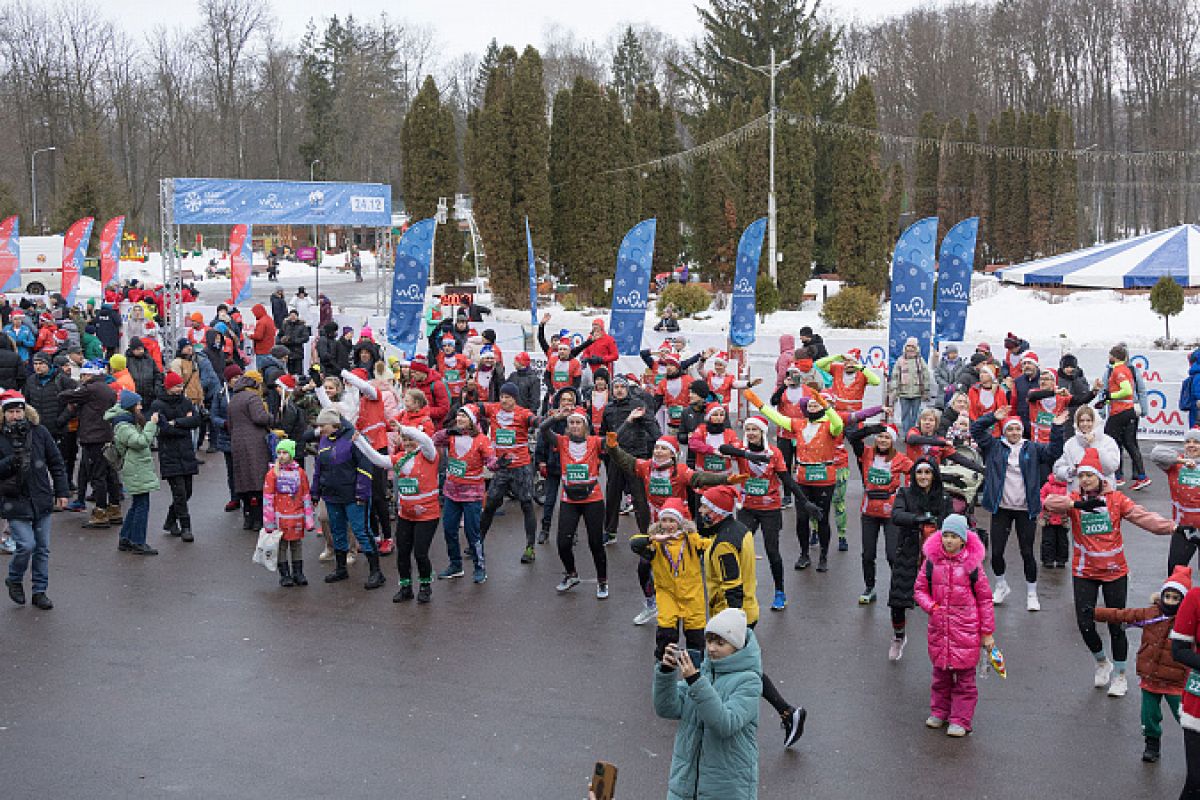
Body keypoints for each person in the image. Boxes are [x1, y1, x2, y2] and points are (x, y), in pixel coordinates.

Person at [1043, 448, 1175, 696]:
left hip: (1115, 572)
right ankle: (1102, 662)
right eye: (1081, 476)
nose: (1085, 480)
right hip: (1084, 571)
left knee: (1116, 625)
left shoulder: (1116, 499)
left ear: (1100, 477)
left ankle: (1121, 676)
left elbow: (1144, 518)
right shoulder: (1074, 499)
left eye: (1089, 476)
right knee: (1085, 624)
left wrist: (1173, 528)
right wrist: (1078, 504)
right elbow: (1049, 503)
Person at [696, 484, 806, 749]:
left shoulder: (723, 545)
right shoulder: (739, 529)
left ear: (716, 512)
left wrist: (729, 628)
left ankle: (785, 712)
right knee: (740, 668)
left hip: (730, 618)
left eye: (704, 507)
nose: (700, 511)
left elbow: (732, 588)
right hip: (745, 611)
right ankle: (785, 712)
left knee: (737, 668)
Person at [652, 608, 761, 800]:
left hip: (727, 790)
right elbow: (666, 708)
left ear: (737, 646)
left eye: (720, 643)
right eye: (709, 641)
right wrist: (666, 673)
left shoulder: (749, 682)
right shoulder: (701, 673)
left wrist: (695, 681)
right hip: (685, 786)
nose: (711, 648)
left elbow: (726, 724)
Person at [971, 407, 1066, 612]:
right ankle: (1001, 585)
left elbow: (1054, 452)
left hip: (1025, 509)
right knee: (996, 552)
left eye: (1017, 429)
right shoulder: (994, 446)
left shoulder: (1032, 448)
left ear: (1022, 431)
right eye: (1010, 429)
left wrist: (1057, 428)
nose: (1013, 433)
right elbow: (976, 430)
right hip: (1001, 508)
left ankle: (1031, 593)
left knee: (1027, 552)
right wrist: (992, 418)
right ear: (1004, 431)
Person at [1093, 566, 1190, 764]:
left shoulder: (1188, 622)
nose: (1170, 601)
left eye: (1175, 598)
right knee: (1149, 716)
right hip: (1150, 677)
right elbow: (1124, 615)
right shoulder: (1151, 613)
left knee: (1186, 717)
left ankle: (1194, 746)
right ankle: (1151, 745)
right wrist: (1096, 613)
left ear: (1184, 600)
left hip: (1176, 682)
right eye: (1167, 596)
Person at [914, 514, 995, 737]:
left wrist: (987, 632)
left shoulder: (972, 566)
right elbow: (920, 589)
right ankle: (939, 711)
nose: (949, 540)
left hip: (966, 631)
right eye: (946, 535)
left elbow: (985, 599)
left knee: (965, 680)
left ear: (963, 540)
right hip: (940, 629)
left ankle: (960, 719)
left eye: (954, 536)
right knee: (940, 676)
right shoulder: (931, 562)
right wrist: (932, 607)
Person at [743, 387, 841, 572]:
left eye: (816, 404)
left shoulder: (830, 425)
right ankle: (804, 554)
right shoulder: (798, 424)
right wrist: (757, 403)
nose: (813, 407)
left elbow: (839, 423)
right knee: (802, 519)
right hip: (803, 478)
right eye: (810, 405)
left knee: (822, 518)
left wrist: (826, 406)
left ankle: (823, 556)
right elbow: (776, 417)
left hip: (825, 479)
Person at [0, 391, 68, 609]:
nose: (15, 416)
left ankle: (40, 591)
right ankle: (14, 578)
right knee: (26, 545)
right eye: (11, 412)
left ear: (25, 411)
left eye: (18, 411)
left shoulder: (39, 432)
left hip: (41, 497)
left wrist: (62, 492)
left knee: (42, 548)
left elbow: (56, 462)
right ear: (4, 413)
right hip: (14, 499)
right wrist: (12, 460)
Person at [732, 414, 807, 611]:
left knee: (772, 551)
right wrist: (747, 455)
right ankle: (739, 592)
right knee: (739, 549)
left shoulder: (774, 453)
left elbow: (787, 480)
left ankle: (780, 592)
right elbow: (723, 449)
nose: (751, 433)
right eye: (748, 430)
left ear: (762, 432)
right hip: (747, 507)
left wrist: (804, 502)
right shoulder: (741, 449)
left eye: (754, 430)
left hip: (770, 508)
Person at [361, 425, 439, 604]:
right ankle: (406, 588)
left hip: (427, 515)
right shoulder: (400, 458)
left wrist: (404, 428)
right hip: (405, 515)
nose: (408, 443)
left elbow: (426, 440)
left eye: (411, 439)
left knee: (420, 553)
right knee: (402, 553)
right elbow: (377, 458)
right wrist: (358, 440)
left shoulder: (429, 455)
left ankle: (425, 586)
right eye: (405, 440)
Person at [540, 407, 609, 597]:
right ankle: (571, 574)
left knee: (595, 543)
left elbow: (613, 441)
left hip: (593, 499)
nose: (575, 426)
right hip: (569, 499)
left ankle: (602, 581)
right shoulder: (561, 441)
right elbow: (543, 429)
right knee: (563, 543)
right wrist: (557, 417)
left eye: (578, 422)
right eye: (571, 423)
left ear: (585, 426)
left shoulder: (595, 442)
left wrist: (627, 422)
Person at [311, 407, 382, 589]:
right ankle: (341, 569)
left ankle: (376, 572)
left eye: (323, 425)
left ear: (334, 424)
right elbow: (319, 468)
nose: (320, 429)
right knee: (337, 531)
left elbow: (365, 468)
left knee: (361, 531)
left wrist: (362, 493)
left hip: (353, 496)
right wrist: (315, 492)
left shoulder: (355, 438)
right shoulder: (324, 440)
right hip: (332, 495)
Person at [630, 498, 708, 660]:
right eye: (664, 520)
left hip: (692, 596)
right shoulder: (656, 543)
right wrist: (653, 539)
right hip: (667, 595)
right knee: (666, 635)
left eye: (672, 521)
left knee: (696, 638)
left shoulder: (691, 539)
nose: (668, 525)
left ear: (680, 522)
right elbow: (634, 544)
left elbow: (712, 546)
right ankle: (664, 668)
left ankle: (696, 669)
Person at [889, 457, 950, 661]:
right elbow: (896, 515)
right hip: (909, 553)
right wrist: (917, 519)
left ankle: (946, 642)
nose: (923, 477)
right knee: (898, 601)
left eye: (928, 472)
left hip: (936, 559)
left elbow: (951, 522)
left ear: (934, 475)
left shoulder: (943, 498)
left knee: (942, 604)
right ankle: (899, 637)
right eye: (919, 472)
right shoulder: (905, 493)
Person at [846, 422, 913, 606]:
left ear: (893, 441)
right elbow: (852, 437)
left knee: (893, 555)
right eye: (880, 436)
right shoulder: (866, 453)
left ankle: (899, 589)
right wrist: (873, 429)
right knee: (868, 555)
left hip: (891, 512)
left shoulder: (900, 458)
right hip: (869, 511)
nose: (883, 440)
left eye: (887, 437)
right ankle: (869, 588)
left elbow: (918, 472)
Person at [478, 383, 540, 563]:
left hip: (521, 467)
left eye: (508, 397)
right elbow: (475, 407)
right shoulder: (493, 409)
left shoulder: (522, 413)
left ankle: (530, 548)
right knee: (490, 505)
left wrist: (540, 421)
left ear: (515, 399)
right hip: (502, 468)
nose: (504, 400)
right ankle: (478, 542)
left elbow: (534, 420)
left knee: (526, 505)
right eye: (502, 396)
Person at [434, 406, 495, 584]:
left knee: (472, 533)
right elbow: (434, 439)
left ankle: (479, 567)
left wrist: (500, 463)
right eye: (458, 416)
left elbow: (491, 462)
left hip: (472, 495)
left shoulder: (481, 440)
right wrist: (447, 431)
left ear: (472, 420)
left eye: (464, 416)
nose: (459, 419)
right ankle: (455, 565)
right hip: (451, 493)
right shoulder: (452, 436)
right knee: (449, 530)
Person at [61, 360, 120, 527]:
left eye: (83, 375)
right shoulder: (107, 388)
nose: (82, 379)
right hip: (105, 435)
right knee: (110, 474)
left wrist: (74, 394)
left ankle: (100, 513)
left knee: (98, 476)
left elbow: (64, 396)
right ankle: (114, 509)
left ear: (89, 375)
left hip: (93, 437)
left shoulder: (90, 389)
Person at [106, 390, 160, 556]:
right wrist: (151, 425)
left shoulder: (127, 421)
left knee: (138, 504)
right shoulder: (123, 425)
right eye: (138, 404)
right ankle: (138, 541)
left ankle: (126, 538)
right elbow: (140, 442)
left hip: (137, 466)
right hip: (135, 468)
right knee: (142, 505)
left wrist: (153, 425)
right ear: (131, 406)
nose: (141, 407)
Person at [149, 371, 200, 542]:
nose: (180, 389)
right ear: (168, 387)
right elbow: (164, 429)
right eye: (177, 386)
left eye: (180, 385)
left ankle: (170, 521)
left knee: (187, 492)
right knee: (179, 493)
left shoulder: (185, 402)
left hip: (186, 453)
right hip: (169, 454)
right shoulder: (157, 404)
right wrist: (184, 424)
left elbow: (196, 421)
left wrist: (177, 422)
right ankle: (186, 527)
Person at [262, 439, 314, 588]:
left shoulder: (300, 473)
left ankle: (298, 573)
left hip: (297, 517)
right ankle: (285, 575)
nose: (281, 455)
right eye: (279, 452)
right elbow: (268, 498)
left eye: (285, 452)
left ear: (291, 454)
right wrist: (269, 522)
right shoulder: (272, 473)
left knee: (297, 544)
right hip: (280, 518)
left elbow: (306, 495)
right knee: (282, 545)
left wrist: (309, 519)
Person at [1099, 344, 1150, 490]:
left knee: (1110, 442)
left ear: (1114, 357)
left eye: (1110, 355)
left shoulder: (1117, 370)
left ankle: (1116, 476)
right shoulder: (1127, 369)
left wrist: (1110, 396)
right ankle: (1142, 477)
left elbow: (1127, 391)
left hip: (1120, 412)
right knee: (1129, 443)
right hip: (1128, 411)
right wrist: (1105, 401)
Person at [227, 371, 274, 531]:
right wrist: (271, 417)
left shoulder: (234, 399)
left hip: (237, 442)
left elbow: (230, 424)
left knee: (243, 481)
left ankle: (248, 518)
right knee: (257, 480)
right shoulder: (253, 398)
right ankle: (258, 519)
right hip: (255, 443)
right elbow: (260, 418)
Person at [1153, 431, 1200, 573]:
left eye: (1196, 442)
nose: (1191, 445)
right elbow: (1156, 454)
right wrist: (1183, 461)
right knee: (1175, 571)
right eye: (1188, 442)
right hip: (1184, 528)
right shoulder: (1176, 464)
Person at [1054, 404, 1121, 491]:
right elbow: (1057, 469)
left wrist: (1095, 445)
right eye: (1081, 421)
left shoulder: (1107, 441)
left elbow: (1111, 467)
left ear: (1095, 421)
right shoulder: (1070, 443)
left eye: (1089, 420)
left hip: (1103, 493)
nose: (1085, 424)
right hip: (1077, 494)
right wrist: (1071, 471)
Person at [887, 337, 932, 439]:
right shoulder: (900, 360)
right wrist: (894, 390)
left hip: (917, 393)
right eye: (909, 346)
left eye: (913, 347)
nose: (910, 349)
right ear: (905, 348)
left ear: (916, 348)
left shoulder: (920, 361)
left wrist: (926, 390)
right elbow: (895, 376)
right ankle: (907, 434)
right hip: (903, 393)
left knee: (916, 415)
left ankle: (913, 433)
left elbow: (926, 376)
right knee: (905, 414)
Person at [278, 309, 310, 375]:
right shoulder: (285, 325)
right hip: (288, 352)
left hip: (298, 352)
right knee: (290, 373)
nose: (292, 317)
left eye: (294, 315)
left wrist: (294, 340)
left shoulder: (302, 326)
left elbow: (306, 338)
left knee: (299, 373)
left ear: (297, 316)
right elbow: (279, 335)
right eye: (291, 315)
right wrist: (282, 340)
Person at [933, 344, 964, 408]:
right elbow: (937, 375)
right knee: (941, 407)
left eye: (955, 353)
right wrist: (945, 385)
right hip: (943, 390)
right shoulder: (941, 363)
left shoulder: (962, 364)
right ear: (948, 354)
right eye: (952, 353)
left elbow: (963, 376)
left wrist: (954, 386)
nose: (954, 355)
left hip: (956, 390)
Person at [249, 304, 277, 370]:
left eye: (254, 313)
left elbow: (258, 336)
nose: (254, 315)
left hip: (261, 350)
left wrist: (250, 336)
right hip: (270, 348)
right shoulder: (269, 319)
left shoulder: (261, 322)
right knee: (269, 369)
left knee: (261, 370)